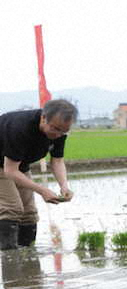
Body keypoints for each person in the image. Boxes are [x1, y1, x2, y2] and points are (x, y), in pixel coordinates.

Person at [0, 99, 77, 249]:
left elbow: (57, 161)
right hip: (4, 164)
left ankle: (27, 254)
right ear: (43, 118)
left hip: (19, 164)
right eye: (55, 129)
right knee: (11, 208)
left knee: (29, 213)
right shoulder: (21, 128)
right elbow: (10, 170)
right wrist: (42, 190)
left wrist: (64, 186)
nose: (58, 134)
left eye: (63, 131)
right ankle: (9, 257)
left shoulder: (59, 133)